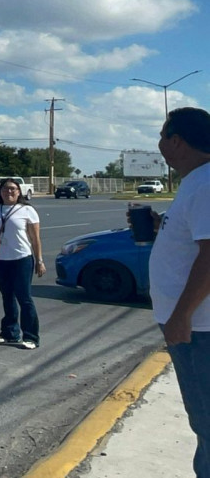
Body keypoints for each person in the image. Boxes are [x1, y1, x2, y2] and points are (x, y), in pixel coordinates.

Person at [147, 107, 210, 477]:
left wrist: (182, 316)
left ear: (176, 141)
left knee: (207, 421)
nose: (158, 146)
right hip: (194, 326)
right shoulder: (196, 181)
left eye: (161, 136)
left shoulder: (204, 184)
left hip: (199, 328)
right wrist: (162, 228)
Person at [0, 177, 43, 349]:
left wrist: (39, 260)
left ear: (19, 192)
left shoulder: (27, 210)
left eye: (13, 189)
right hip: (0, 260)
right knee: (7, 297)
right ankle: (10, 333)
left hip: (22, 259)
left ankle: (31, 336)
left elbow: (35, 239)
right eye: (5, 189)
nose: (9, 192)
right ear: (0, 192)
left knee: (24, 298)